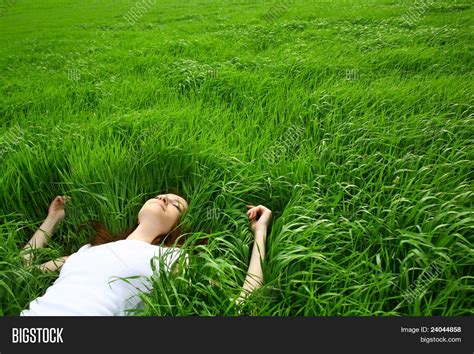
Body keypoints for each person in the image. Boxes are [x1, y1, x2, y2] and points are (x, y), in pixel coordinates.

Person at [19, 194, 272, 316]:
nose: (164, 198)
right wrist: (52, 220)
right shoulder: (87, 251)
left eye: (176, 205)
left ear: (176, 226)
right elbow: (23, 270)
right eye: (161, 196)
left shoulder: (170, 258)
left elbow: (240, 304)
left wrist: (260, 232)